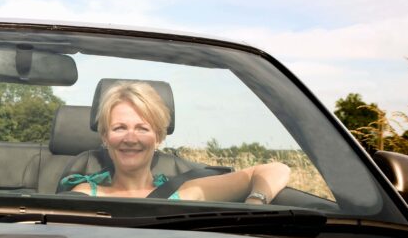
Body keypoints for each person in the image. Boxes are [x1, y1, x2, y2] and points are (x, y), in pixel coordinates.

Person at [64, 81, 289, 202]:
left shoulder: (189, 192)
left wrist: (255, 203)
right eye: (119, 128)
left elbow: (275, 169)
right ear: (105, 136)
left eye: (142, 128)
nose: (130, 138)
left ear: (159, 136)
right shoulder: (85, 196)